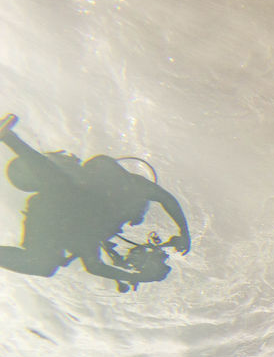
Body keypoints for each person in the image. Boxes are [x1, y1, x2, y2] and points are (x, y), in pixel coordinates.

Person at [0, 113, 190, 291]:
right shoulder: (126, 185)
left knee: (44, 266)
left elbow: (94, 265)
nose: (136, 218)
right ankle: (9, 137)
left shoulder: (94, 228)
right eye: (139, 210)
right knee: (64, 186)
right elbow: (165, 197)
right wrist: (183, 232)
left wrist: (136, 276)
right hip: (64, 190)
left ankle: (10, 139)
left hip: (51, 210)